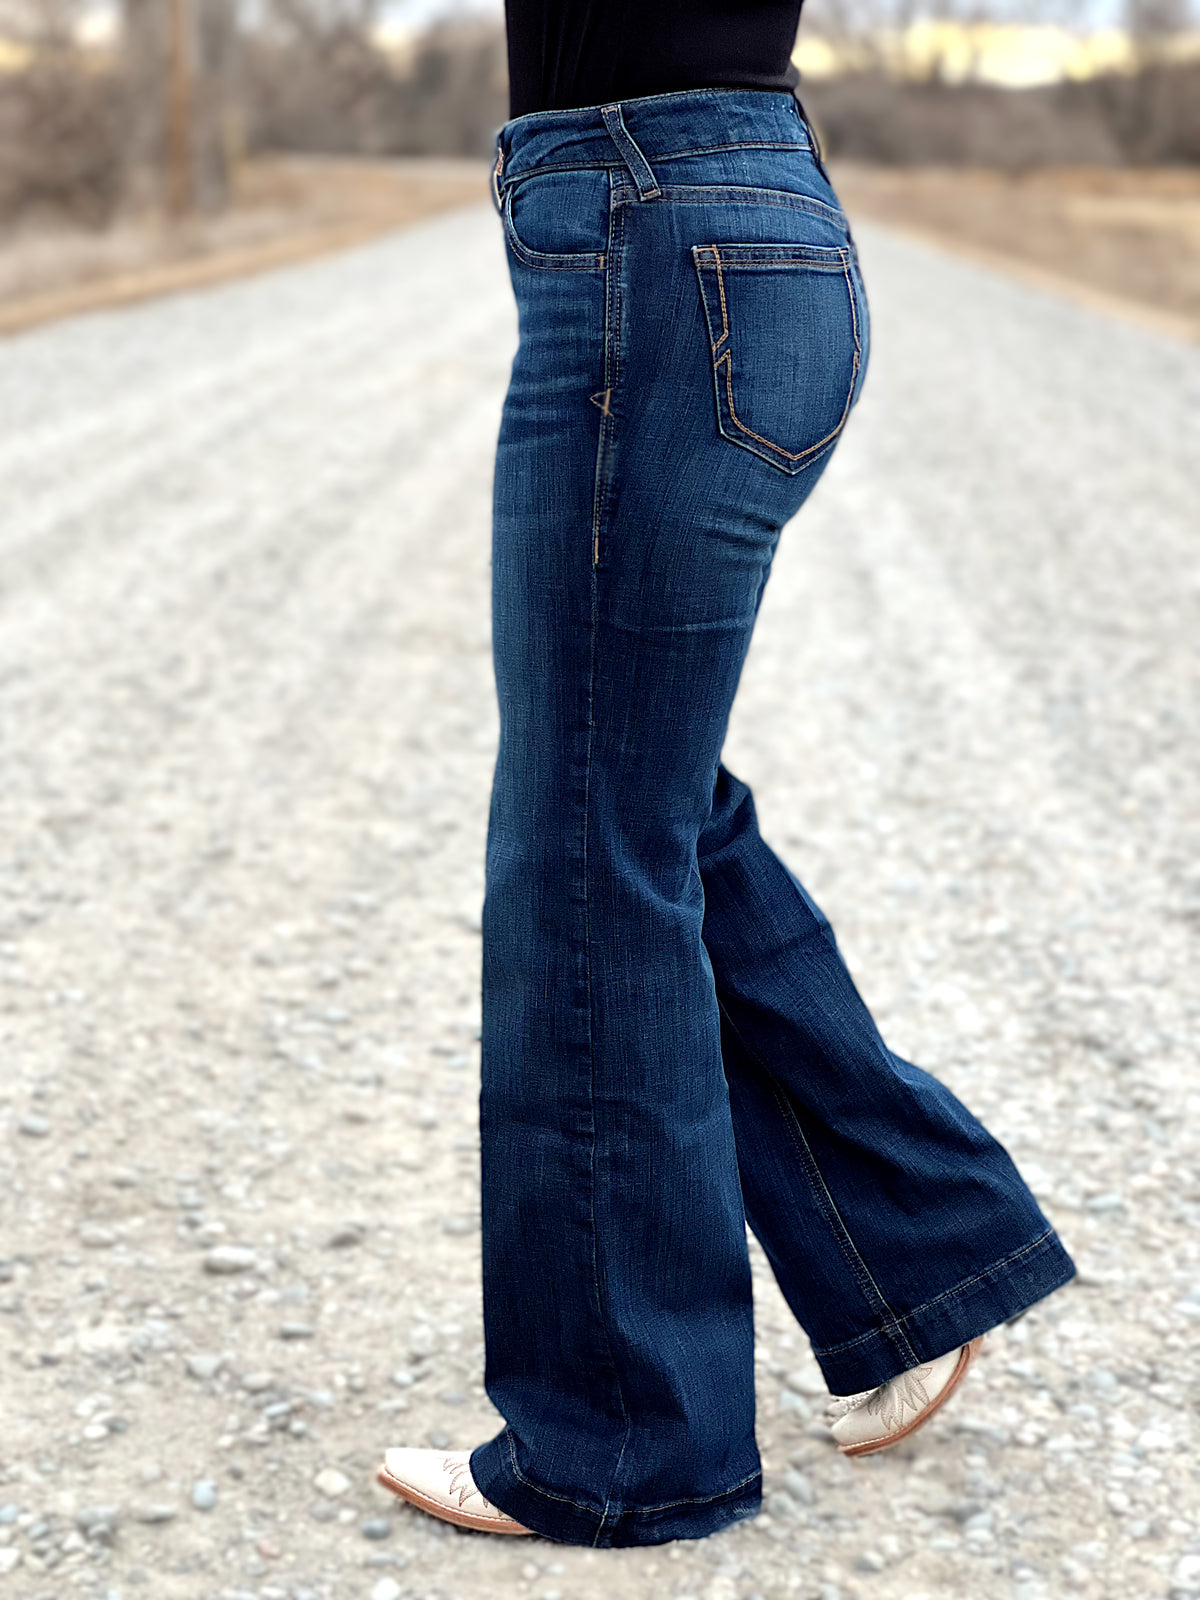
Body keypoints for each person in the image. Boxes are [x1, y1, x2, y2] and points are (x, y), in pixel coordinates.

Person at [376, 0, 1076, 1549]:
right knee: (637, 790)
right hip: (736, 219)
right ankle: (914, 1250)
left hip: (649, 225)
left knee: (587, 833)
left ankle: (625, 1436)